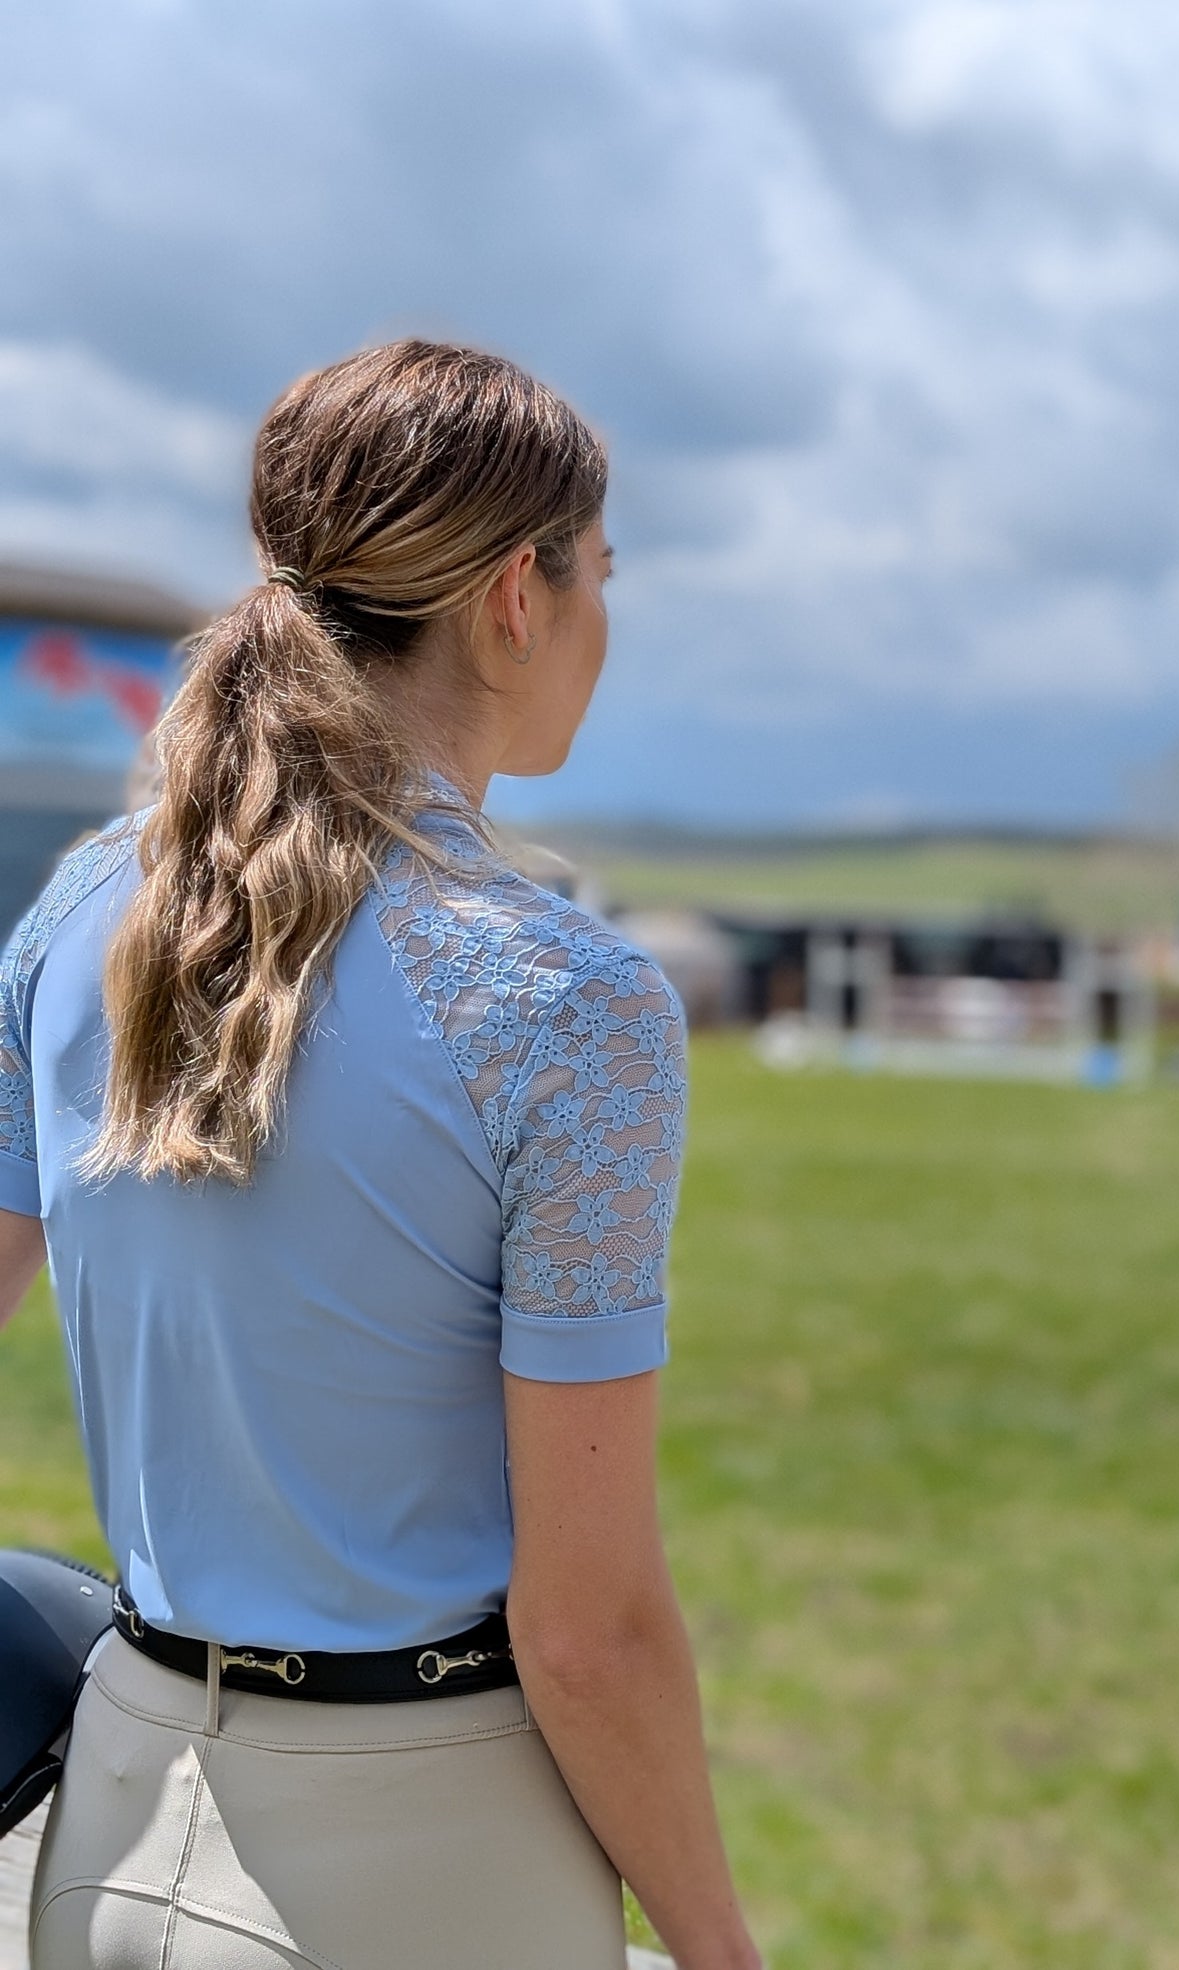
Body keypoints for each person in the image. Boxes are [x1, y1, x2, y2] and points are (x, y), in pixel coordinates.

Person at [0, 339, 762, 1970]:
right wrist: (716, 1948)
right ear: (512, 597)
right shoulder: (573, 1005)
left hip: (114, 1825)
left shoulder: (69, 926)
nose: (602, 627)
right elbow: (585, 1630)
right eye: (597, 577)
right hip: (421, 1868)